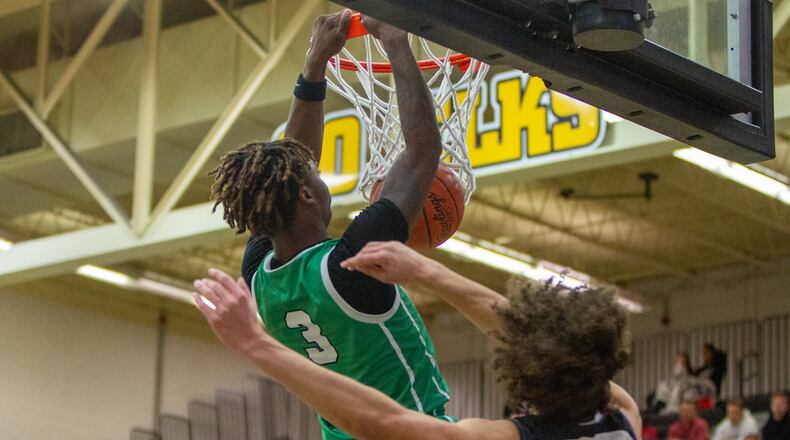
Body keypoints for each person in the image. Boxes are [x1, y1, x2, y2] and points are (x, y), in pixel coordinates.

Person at [206, 12, 449, 439]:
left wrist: (315, 63)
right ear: (305, 196)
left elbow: (296, 158)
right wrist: (395, 43)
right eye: (314, 178)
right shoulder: (354, 263)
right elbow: (422, 152)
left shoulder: (261, 274)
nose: (319, 177)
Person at [193, 240, 643, 440]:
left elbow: (384, 424)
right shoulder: (622, 419)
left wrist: (256, 343)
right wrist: (426, 272)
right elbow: (543, 340)